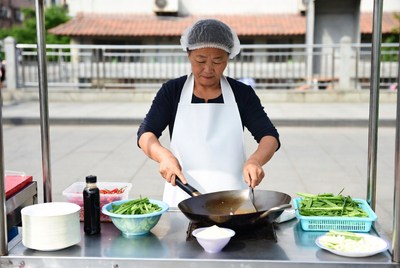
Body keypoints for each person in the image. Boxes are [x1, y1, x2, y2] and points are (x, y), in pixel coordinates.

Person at [137, 19, 280, 207]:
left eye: (218, 61)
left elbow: (269, 136)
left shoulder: (241, 93)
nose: (208, 69)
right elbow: (146, 135)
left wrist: (255, 161)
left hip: (232, 199)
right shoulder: (172, 91)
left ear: (228, 57)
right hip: (183, 197)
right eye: (201, 60)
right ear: (188, 54)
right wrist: (164, 156)